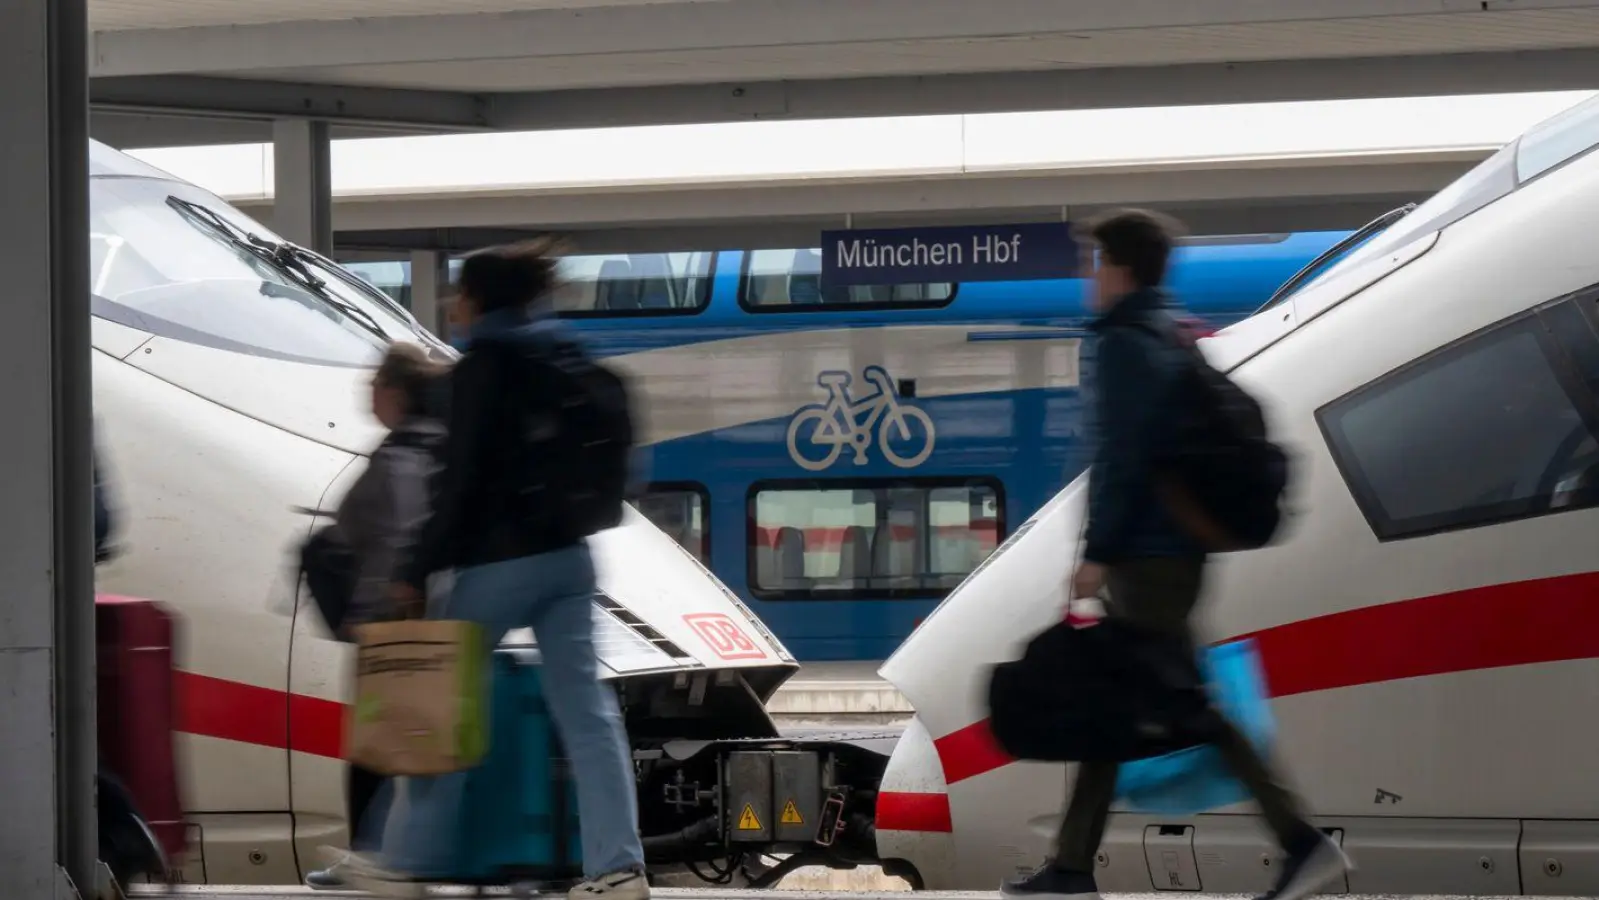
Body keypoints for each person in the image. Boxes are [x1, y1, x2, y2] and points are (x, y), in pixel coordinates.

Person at [1000, 209, 1349, 900]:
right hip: (1172, 550)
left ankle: (1301, 842)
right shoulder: (1168, 329)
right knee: (1119, 699)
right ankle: (1071, 869)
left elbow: (1124, 456)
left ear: (1119, 267)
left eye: (1094, 263)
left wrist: (1098, 552)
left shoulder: (1127, 342)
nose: (1088, 277)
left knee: (1181, 705)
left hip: (1149, 557)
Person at [344, 239, 649, 900]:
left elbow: (458, 483)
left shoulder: (484, 368)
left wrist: (416, 566)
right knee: (589, 717)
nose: (453, 306)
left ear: (477, 299)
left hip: (499, 564)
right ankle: (618, 868)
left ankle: (402, 861)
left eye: (458, 294)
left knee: (439, 702)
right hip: (572, 558)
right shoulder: (567, 356)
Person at [305, 342, 448, 890]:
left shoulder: (403, 454)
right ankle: (382, 855)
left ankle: (373, 857)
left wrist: (372, 612)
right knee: (395, 744)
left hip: (393, 623)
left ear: (395, 391)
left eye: (374, 382)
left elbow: (398, 538)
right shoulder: (429, 445)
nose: (367, 391)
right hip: (416, 617)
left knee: (379, 746)